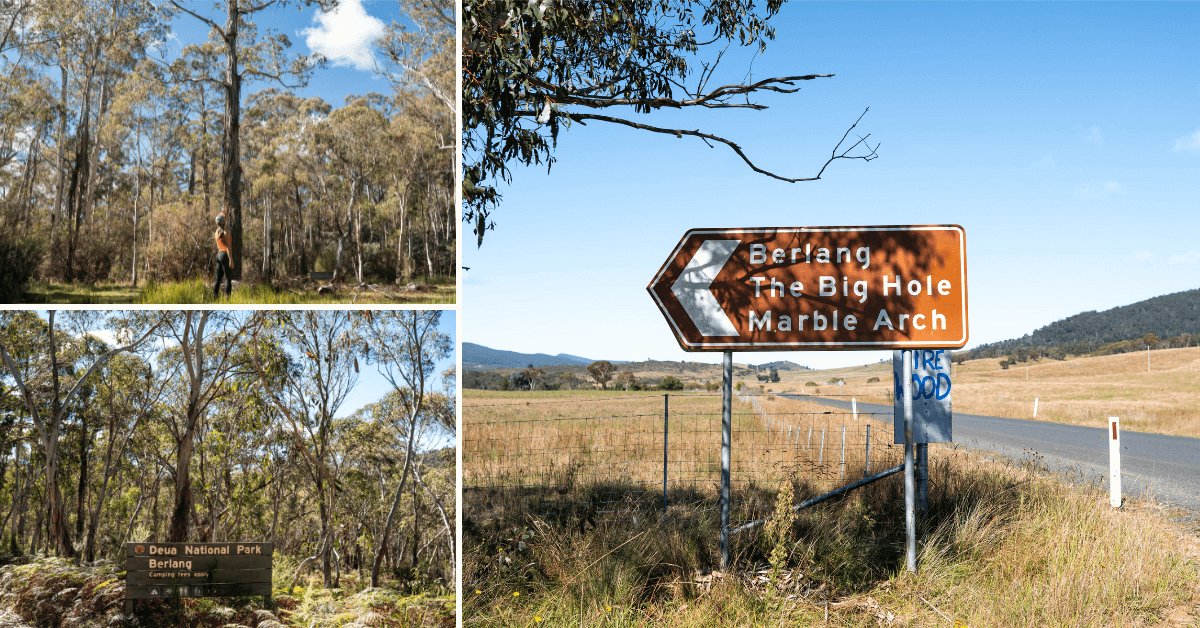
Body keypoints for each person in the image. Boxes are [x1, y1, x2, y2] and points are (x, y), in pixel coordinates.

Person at [213, 212, 234, 297]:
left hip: (218, 256)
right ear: (224, 222)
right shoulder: (226, 232)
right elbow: (228, 247)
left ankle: (215, 297)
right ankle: (228, 299)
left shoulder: (216, 233)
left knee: (218, 279)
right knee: (228, 279)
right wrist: (231, 260)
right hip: (225, 255)